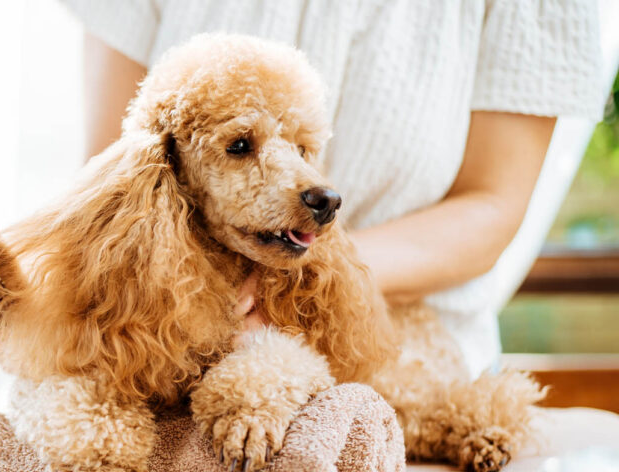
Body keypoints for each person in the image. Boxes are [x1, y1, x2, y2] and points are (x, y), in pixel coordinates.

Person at [66, 0, 603, 377]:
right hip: (172, 329)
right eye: (241, 146)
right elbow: (115, 171)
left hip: (413, 361)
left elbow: (492, 203)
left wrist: (296, 286)